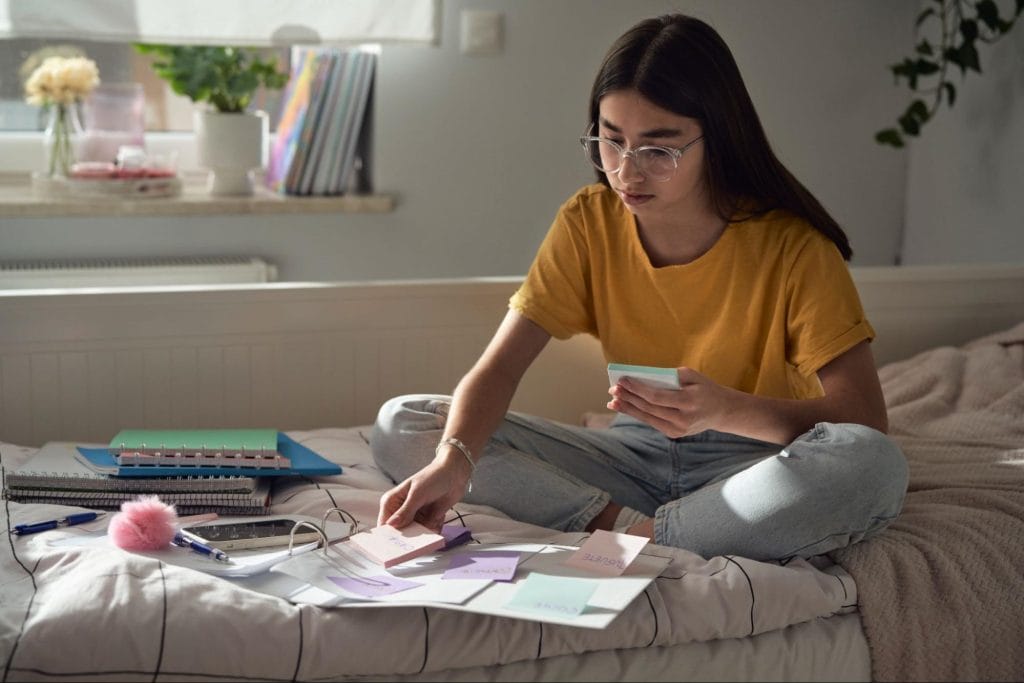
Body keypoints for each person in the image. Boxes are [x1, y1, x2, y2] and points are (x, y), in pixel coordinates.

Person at [369, 13, 908, 562]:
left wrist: (723, 410)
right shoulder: (588, 222)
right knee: (405, 423)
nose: (626, 172)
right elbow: (500, 367)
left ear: (715, 140)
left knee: (872, 464)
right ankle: (628, 527)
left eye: (658, 149)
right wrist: (454, 459)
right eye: (610, 140)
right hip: (630, 459)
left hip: (755, 469)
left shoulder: (796, 249)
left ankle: (660, 539)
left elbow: (864, 418)